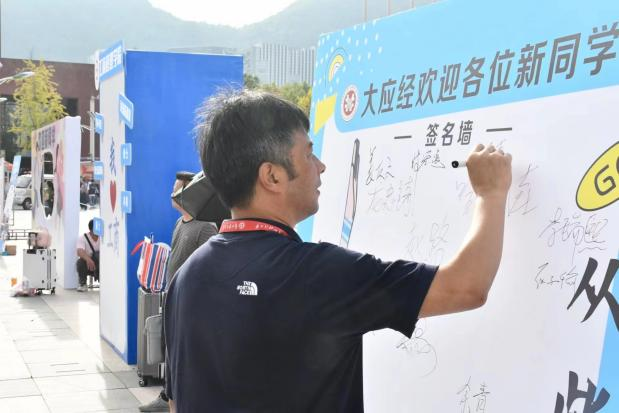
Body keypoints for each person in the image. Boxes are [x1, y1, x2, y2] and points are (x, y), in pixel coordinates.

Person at [164, 90, 512, 412]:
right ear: (272, 176)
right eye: (308, 154)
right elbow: (466, 286)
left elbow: (176, 402)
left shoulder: (186, 278)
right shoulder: (319, 275)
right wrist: (491, 195)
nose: (320, 166)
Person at [139, 171, 219, 412]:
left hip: (191, 302)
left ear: (191, 193)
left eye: (177, 190)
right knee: (169, 350)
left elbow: (210, 267)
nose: (172, 194)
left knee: (184, 353)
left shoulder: (205, 227)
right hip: (173, 296)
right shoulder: (179, 223)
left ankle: (176, 398)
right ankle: (167, 396)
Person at [76, 219, 99, 292]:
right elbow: (79, 251)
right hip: (88, 264)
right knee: (80, 262)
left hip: (100, 263)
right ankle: (83, 284)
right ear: (91, 230)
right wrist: (88, 259)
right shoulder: (83, 238)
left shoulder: (103, 237)